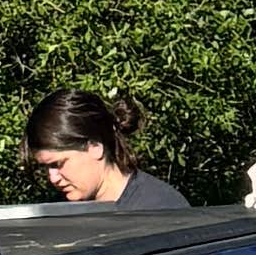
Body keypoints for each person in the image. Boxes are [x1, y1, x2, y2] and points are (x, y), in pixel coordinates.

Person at [23, 87, 189, 215]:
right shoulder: (59, 214)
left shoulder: (162, 211)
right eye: (46, 167)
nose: (53, 178)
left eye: (58, 164)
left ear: (95, 147)